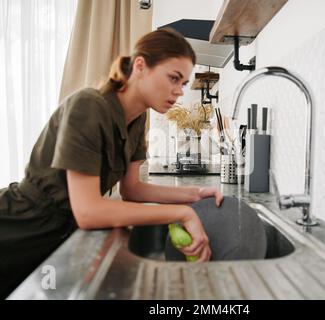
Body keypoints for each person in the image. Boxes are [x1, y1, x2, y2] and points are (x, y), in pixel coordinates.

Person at [0, 28, 223, 299]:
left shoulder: (137, 118)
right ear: (140, 65)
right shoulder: (89, 106)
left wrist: (194, 196)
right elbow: (89, 211)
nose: (177, 92)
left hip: (58, 235)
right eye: (173, 78)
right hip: (18, 227)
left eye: (183, 84)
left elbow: (132, 189)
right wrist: (183, 213)